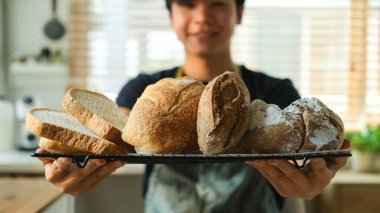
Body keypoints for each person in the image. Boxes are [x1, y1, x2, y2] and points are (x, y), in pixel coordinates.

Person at [36, 0, 350, 212]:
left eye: (217, 3)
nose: (202, 17)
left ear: (238, 13)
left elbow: (303, 163)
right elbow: (117, 136)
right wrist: (73, 166)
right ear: (171, 15)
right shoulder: (145, 91)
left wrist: (311, 185)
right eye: (187, 3)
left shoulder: (274, 93)